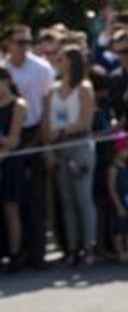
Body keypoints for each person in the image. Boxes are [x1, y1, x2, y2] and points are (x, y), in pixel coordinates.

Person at [3, 25, 55, 270]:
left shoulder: (41, 68)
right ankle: (16, 250)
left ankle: (37, 252)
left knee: (34, 197)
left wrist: (43, 142)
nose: (24, 47)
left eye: (27, 42)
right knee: (12, 200)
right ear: (8, 44)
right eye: (19, 42)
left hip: (34, 130)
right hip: (9, 130)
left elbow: (46, 105)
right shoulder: (4, 69)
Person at [42, 46, 98, 266]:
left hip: (79, 145)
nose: (59, 63)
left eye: (62, 59)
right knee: (67, 200)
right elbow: (46, 123)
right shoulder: (52, 90)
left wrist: (64, 130)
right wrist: (49, 148)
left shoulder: (84, 88)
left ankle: (89, 246)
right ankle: (73, 248)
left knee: (83, 198)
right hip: (59, 147)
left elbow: (85, 120)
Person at [0, 67, 28, 272]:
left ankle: (16, 252)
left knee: (11, 209)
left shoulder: (18, 105)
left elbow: (13, 140)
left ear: (7, 81)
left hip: (12, 162)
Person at [105, 133, 128, 262]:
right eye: (124, 149)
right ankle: (120, 252)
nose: (127, 152)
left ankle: (127, 250)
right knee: (118, 228)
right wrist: (118, 205)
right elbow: (111, 187)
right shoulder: (113, 168)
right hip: (119, 201)